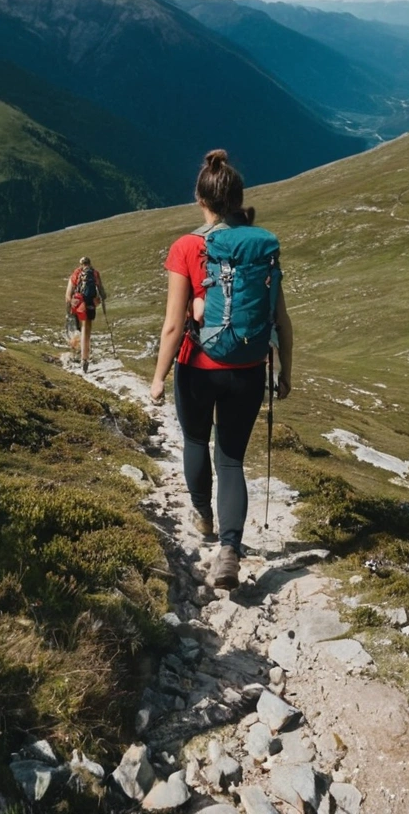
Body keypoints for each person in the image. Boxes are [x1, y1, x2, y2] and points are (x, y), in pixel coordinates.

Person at [150, 150, 293, 590]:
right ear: (238, 199)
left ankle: (204, 517)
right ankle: (229, 548)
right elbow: (281, 319)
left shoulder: (187, 246)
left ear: (201, 199)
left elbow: (175, 323)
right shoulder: (259, 248)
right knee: (231, 460)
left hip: (197, 366)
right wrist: (285, 370)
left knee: (196, 439)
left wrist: (158, 377)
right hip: (249, 368)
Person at [66, 256, 106, 372]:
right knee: (87, 329)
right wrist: (99, 298)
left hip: (78, 304)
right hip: (90, 304)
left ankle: (79, 352)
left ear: (80, 264)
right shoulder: (95, 273)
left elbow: (68, 294)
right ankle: (85, 358)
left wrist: (70, 301)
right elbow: (102, 292)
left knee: (80, 327)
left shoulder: (76, 273)